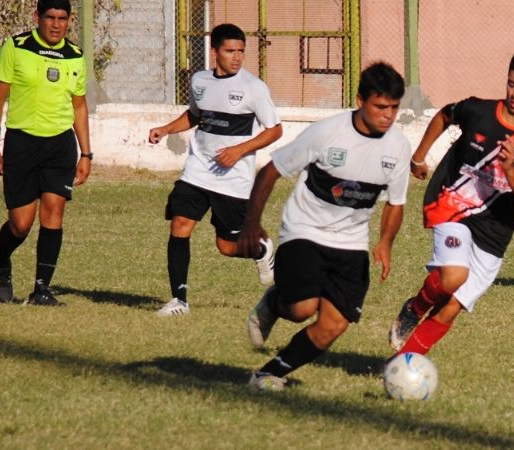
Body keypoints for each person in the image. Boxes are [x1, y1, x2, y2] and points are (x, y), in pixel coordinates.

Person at [239, 62, 411, 391]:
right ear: (360, 100)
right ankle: (276, 303)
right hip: (305, 229)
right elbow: (271, 170)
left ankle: (267, 375)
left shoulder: (398, 147)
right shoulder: (327, 132)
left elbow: (396, 202)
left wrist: (385, 242)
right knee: (301, 309)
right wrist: (251, 222)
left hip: (351, 243)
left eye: (393, 108)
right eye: (380, 107)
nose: (387, 115)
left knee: (334, 325)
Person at [388, 48, 514, 356]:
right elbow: (444, 115)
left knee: (452, 306)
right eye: (511, 84)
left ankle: (402, 365)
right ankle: (415, 308)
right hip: (452, 206)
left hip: (495, 228)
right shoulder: (478, 111)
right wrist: (418, 157)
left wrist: (509, 170)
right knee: (453, 276)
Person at [148, 23, 283, 316]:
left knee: (226, 245)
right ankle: (179, 301)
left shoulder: (254, 88)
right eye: (229, 51)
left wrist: (239, 150)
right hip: (197, 170)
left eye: (240, 51)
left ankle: (261, 250)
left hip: (233, 180)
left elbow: (275, 131)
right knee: (180, 226)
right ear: (214, 52)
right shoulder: (200, 81)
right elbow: (195, 116)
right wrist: (166, 129)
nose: (236, 57)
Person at [0, 0, 91, 306]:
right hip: (22, 143)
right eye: (50, 18)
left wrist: (87, 153)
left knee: (54, 212)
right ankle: (2, 261)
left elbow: (79, 105)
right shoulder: (15, 48)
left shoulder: (75, 55)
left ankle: (42, 289)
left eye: (62, 19)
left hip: (60, 145)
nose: (56, 24)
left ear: (69, 21)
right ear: (37, 17)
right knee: (20, 224)